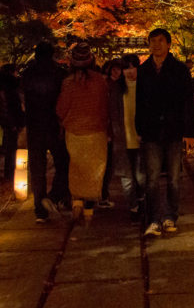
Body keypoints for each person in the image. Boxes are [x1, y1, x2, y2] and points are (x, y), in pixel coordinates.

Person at [135, 28, 194, 237]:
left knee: (174, 178)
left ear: (169, 44)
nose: (156, 45)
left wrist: (189, 133)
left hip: (173, 129)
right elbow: (139, 103)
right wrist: (139, 128)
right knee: (151, 178)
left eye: (160, 41)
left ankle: (171, 215)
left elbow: (187, 102)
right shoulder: (143, 71)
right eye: (153, 41)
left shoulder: (179, 69)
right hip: (151, 130)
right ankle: (153, 218)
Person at [55, 42, 109, 224]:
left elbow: (61, 108)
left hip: (74, 131)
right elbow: (106, 106)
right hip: (96, 130)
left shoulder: (68, 83)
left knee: (76, 167)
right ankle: (88, 209)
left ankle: (77, 202)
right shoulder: (101, 81)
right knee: (94, 169)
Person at [21, 41, 71, 223]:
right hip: (54, 124)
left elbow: (24, 100)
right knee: (63, 162)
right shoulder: (60, 74)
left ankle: (39, 209)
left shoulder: (27, 74)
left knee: (37, 168)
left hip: (34, 125)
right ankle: (54, 196)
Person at [99, 58, 128, 209]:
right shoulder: (107, 85)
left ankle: (103, 194)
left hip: (117, 129)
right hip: (108, 130)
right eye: (114, 69)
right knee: (107, 164)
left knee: (110, 164)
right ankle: (102, 194)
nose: (117, 72)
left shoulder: (120, 86)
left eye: (119, 69)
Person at [120, 53, 145, 217]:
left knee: (141, 175)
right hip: (123, 138)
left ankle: (142, 201)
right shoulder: (117, 89)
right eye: (126, 68)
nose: (129, 71)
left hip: (141, 137)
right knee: (127, 177)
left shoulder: (145, 86)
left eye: (132, 67)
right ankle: (133, 206)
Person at [0, 63, 24, 181]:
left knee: (10, 148)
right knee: (11, 148)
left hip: (9, 122)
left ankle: (10, 174)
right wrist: (13, 124)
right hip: (12, 122)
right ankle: (10, 175)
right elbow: (8, 107)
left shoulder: (3, 86)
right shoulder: (9, 88)